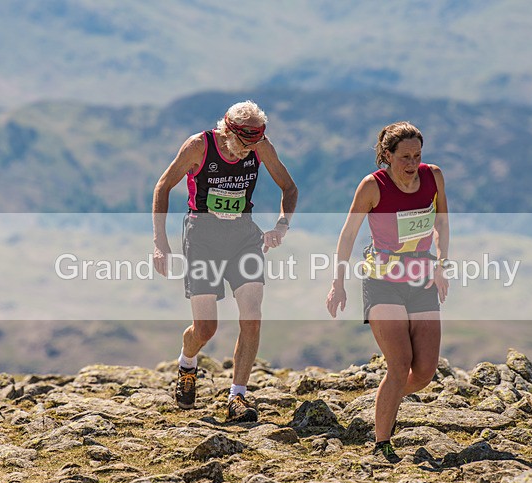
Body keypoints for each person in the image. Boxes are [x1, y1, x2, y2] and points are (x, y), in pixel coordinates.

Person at [153, 100, 298, 422]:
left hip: (243, 236)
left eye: (255, 142)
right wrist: (160, 243)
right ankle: (187, 363)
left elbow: (289, 187)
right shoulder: (198, 146)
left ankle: (238, 396)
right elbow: (163, 186)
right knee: (206, 328)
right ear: (228, 131)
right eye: (245, 143)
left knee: (252, 316)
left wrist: (281, 226)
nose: (250, 150)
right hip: (202, 237)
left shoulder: (260, 146)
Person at [326, 121, 449, 463]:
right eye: (405, 156)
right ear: (387, 155)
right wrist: (338, 283)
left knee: (424, 372)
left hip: (422, 280)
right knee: (399, 364)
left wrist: (442, 264)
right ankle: (382, 444)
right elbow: (348, 234)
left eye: (417, 155)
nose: (412, 163)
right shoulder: (372, 186)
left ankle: (386, 398)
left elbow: (441, 223)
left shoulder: (433, 177)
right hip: (382, 282)